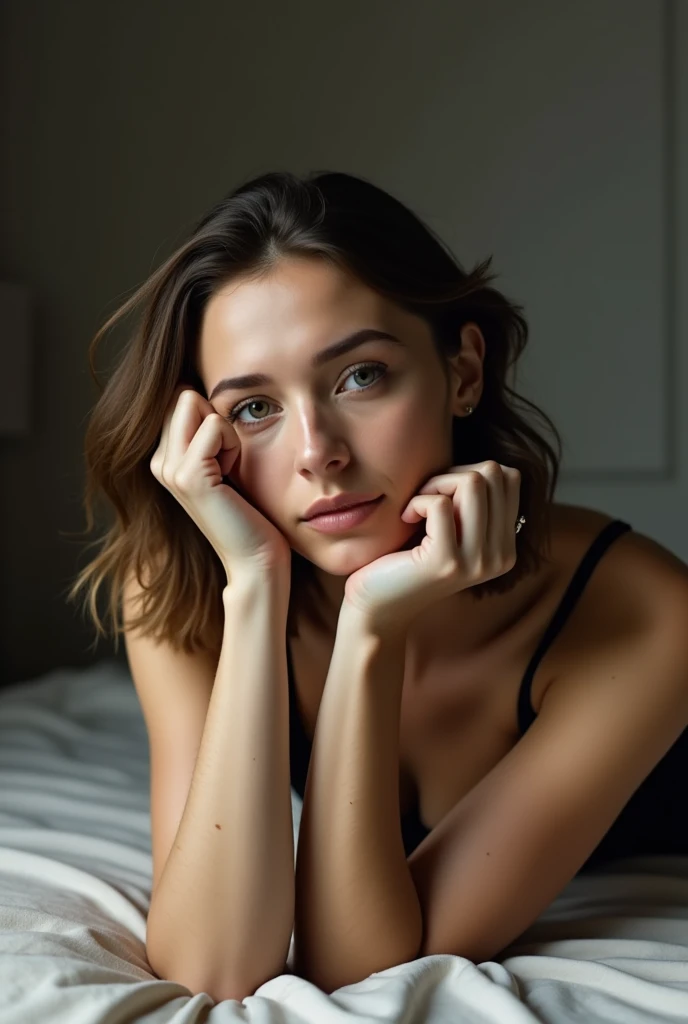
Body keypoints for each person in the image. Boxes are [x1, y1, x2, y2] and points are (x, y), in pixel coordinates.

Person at [68, 170, 688, 1001]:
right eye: (255, 409)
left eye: (360, 376)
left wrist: (370, 629)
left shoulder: (645, 612)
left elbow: (355, 970)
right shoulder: (182, 579)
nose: (316, 451)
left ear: (463, 370)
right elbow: (212, 966)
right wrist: (255, 590)